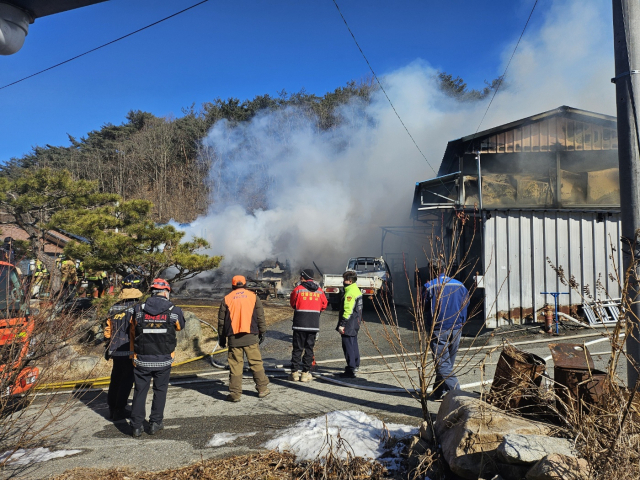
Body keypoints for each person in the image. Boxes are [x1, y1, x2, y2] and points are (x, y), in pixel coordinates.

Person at [127, 278, 185, 437]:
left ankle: (136, 426)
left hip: (142, 359)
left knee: (140, 391)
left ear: (151, 292)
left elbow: (132, 330)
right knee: (160, 390)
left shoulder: (138, 309)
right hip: (164, 359)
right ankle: (155, 423)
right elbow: (179, 327)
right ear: (166, 293)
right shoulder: (174, 310)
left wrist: (132, 354)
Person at [217, 275, 269, 402]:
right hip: (251, 336)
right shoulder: (253, 297)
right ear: (245, 284)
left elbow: (221, 322)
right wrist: (262, 331)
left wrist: (222, 337)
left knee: (235, 366)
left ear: (233, 285)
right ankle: (262, 389)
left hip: (234, 338)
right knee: (256, 363)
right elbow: (260, 316)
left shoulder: (227, 299)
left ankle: (235, 394)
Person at [423, 266, 469, 401]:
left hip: (439, 328)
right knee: (446, 363)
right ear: (446, 269)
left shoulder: (429, 286)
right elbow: (466, 304)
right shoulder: (460, 285)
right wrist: (461, 321)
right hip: (456, 327)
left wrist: (428, 324)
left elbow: (423, 307)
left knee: (443, 363)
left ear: (432, 271)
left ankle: (458, 394)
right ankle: (439, 391)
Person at [103, 274, 143, 421]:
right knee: (127, 380)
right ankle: (120, 409)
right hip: (129, 350)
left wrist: (107, 345)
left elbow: (108, 329)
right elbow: (136, 330)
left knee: (115, 378)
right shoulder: (136, 308)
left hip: (114, 349)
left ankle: (112, 408)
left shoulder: (113, 308)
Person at [289, 269, 327, 382]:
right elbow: (324, 305)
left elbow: (292, 303)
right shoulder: (319, 291)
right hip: (313, 324)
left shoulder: (298, 290)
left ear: (303, 277)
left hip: (299, 324)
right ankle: (305, 374)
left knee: (297, 349)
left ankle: (294, 373)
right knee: (309, 349)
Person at [336, 270, 363, 378]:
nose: (343, 281)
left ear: (350, 281)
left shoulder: (350, 293)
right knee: (353, 343)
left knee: (347, 345)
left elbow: (348, 310)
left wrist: (342, 324)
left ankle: (351, 369)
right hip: (356, 322)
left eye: (345, 280)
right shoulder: (356, 290)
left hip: (349, 322)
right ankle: (355, 364)